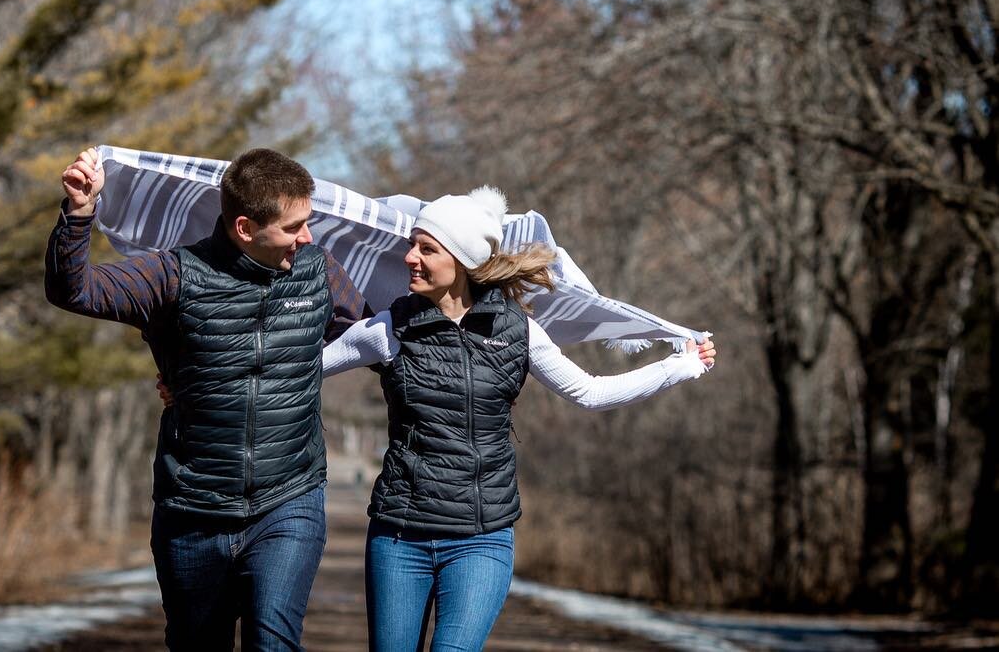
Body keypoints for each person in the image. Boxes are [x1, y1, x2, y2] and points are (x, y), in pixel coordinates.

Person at [320, 186, 716, 652]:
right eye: (412, 245)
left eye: (426, 248)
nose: (410, 257)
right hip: (399, 537)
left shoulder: (517, 330)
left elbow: (589, 391)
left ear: (463, 260)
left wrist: (678, 365)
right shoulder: (389, 329)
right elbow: (300, 371)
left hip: (481, 539)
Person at [45, 146, 371, 651]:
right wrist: (80, 213)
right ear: (245, 228)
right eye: (293, 227)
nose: (306, 237)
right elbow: (75, 290)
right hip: (193, 506)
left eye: (309, 223)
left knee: (274, 643)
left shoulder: (319, 272)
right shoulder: (174, 276)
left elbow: (379, 338)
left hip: (289, 497)